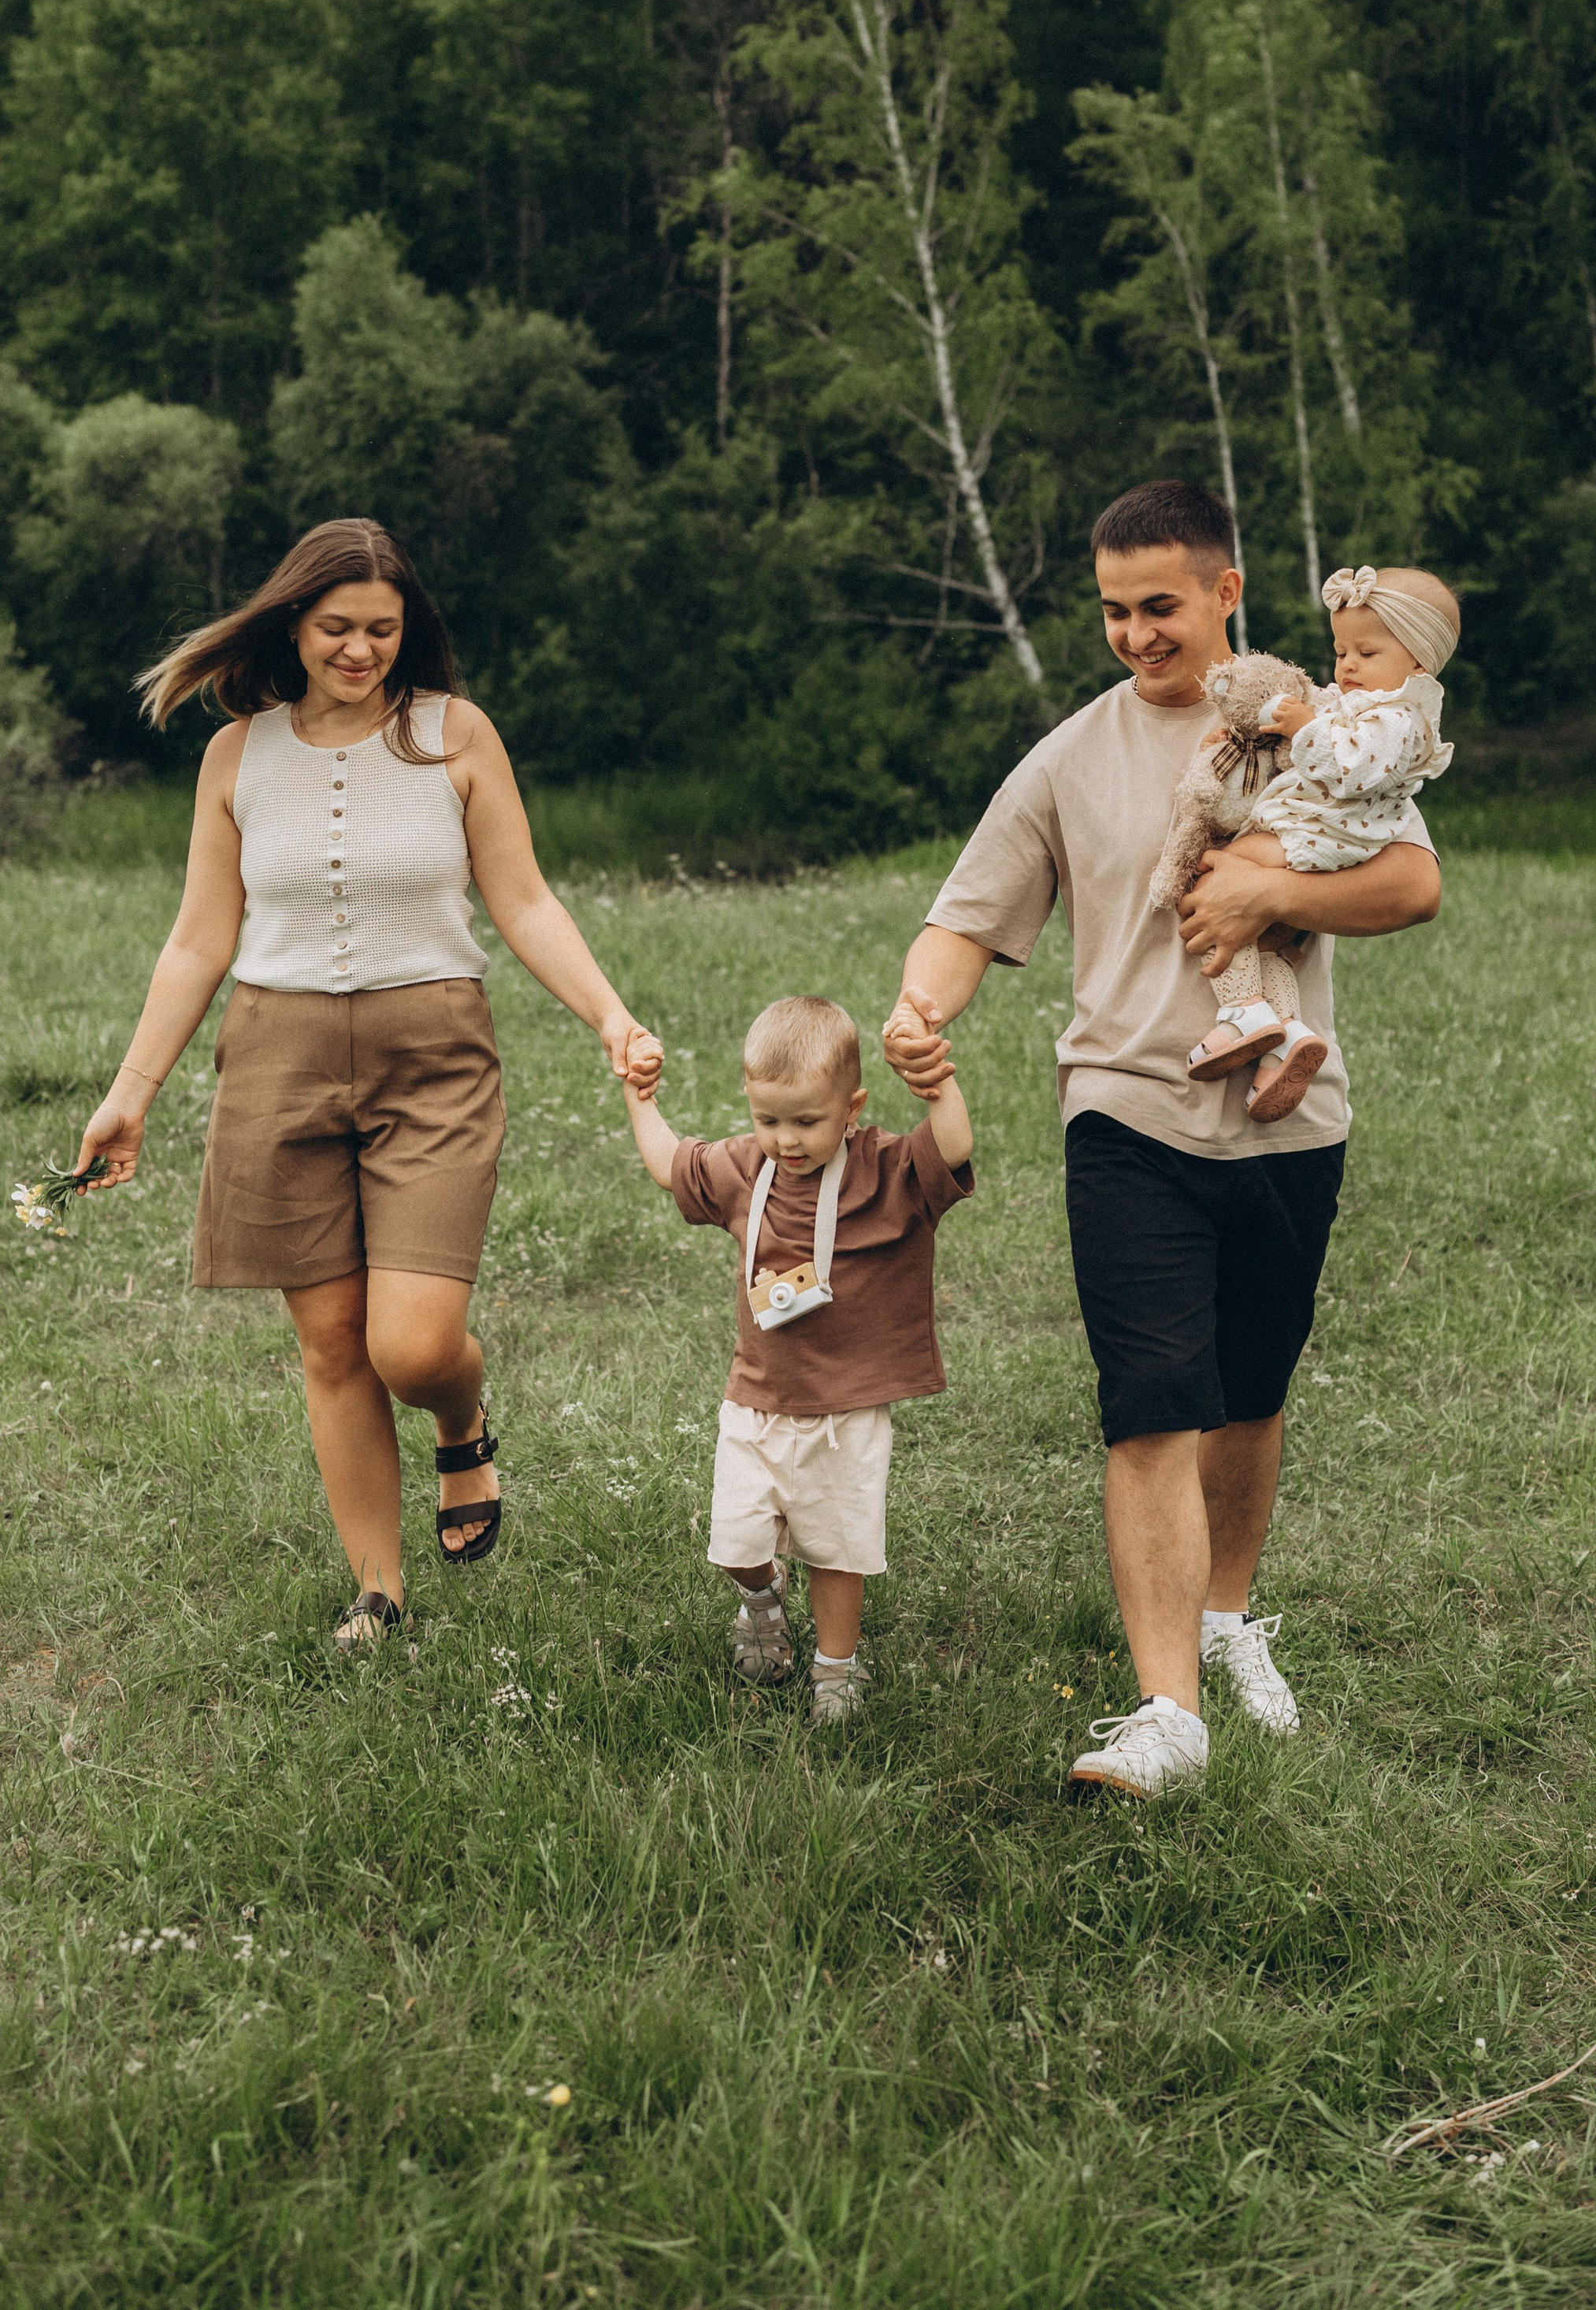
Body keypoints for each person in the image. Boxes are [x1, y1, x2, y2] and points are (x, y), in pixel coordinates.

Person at [879, 481, 1441, 1797]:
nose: (1136, 634)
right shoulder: (1071, 756)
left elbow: (1414, 881)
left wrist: (1270, 886)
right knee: (1151, 1404)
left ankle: (1227, 1622)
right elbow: (965, 916)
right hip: (1126, 1114)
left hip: (1293, 1120)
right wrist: (920, 1008)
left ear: (1226, 593)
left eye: (1162, 607)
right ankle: (1166, 1712)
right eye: (1116, 612)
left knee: (1249, 1395)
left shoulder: (1318, 728)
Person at [74, 518, 662, 1651]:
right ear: (291, 622)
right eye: (337, 627)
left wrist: (609, 1014)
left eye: (382, 630)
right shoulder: (237, 756)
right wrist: (131, 1090)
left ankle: (463, 1420)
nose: (360, 650)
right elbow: (199, 939)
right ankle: (378, 1590)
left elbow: (524, 900)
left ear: (410, 630)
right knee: (332, 1341)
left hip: (432, 1057)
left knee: (412, 1342)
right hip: (276, 1059)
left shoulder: (455, 736)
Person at [621, 995, 972, 1722]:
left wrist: (938, 1087)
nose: (785, 1139)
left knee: (838, 1552)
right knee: (734, 1542)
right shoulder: (745, 1169)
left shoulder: (885, 1170)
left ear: (853, 1106)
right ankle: (761, 1598)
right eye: (768, 1119)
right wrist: (639, 1097)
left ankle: (835, 1672)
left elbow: (955, 1148)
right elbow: (668, 1165)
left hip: (846, 1414)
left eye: (807, 1120)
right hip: (756, 1401)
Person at [1181, 563, 1460, 1120]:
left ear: (1419, 662)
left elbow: (1351, 766)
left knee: (1210, 880)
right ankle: (1285, 1036)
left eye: (1367, 653)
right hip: (1313, 833)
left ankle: (1242, 1010)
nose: (1348, 664)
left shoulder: (1400, 721)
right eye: (1341, 651)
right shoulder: (1364, 704)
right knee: (1267, 945)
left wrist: (1306, 725)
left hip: (1319, 837)